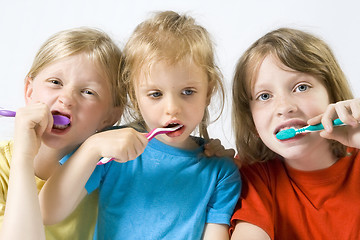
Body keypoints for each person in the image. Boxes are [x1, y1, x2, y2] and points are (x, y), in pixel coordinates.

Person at [39, 11, 241, 240]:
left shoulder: (221, 171)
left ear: (209, 92)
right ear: (135, 98)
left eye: (188, 92)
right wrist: (92, 147)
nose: (172, 107)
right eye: (156, 94)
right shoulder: (113, 150)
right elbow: (47, 211)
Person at [230, 27, 360, 239]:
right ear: (252, 123)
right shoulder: (254, 175)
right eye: (264, 96)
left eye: (301, 87)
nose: (284, 107)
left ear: (333, 95)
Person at [0, 27, 126, 240]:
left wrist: (203, 148)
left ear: (110, 116)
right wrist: (23, 157)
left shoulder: (113, 165)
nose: (66, 99)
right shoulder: (4, 165)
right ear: (29, 91)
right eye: (55, 82)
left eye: (88, 92)